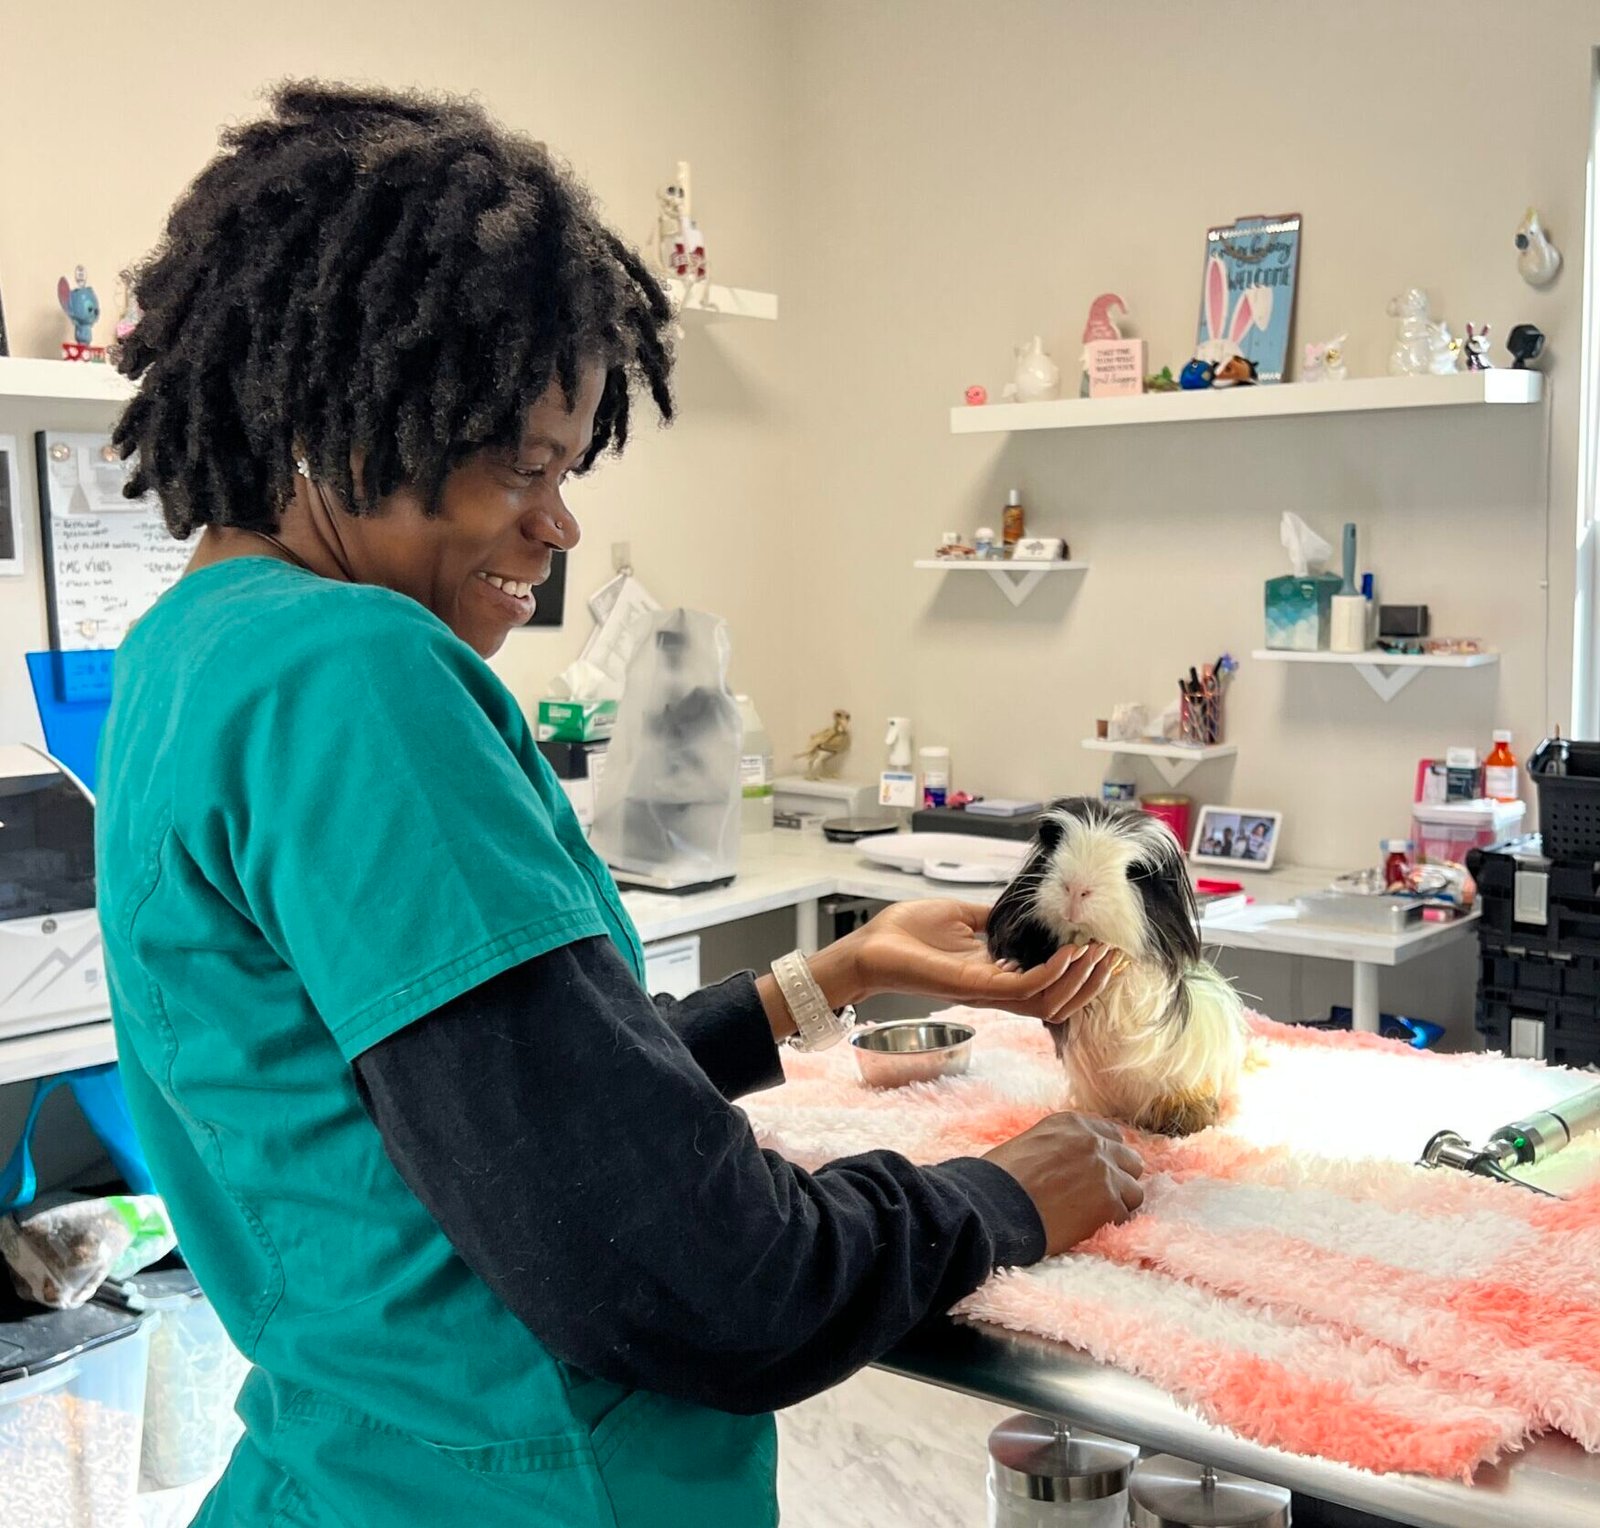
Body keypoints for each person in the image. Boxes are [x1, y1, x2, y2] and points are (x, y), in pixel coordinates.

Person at [98, 83, 1143, 1528]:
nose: (560, 522)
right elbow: (698, 1279)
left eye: (568, 469)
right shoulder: (356, 675)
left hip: (350, 1471)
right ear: (345, 420)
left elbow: (487, 1107)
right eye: (521, 464)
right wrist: (1002, 1197)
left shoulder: (186, 657)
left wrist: (817, 985)